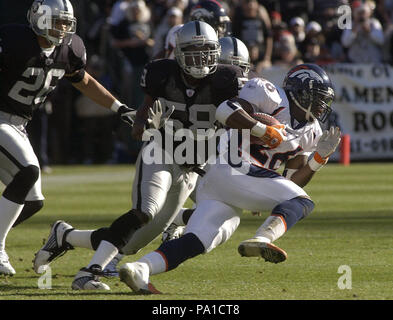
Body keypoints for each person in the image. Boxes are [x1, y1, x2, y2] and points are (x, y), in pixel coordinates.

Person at [33, 21, 284, 290]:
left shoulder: (228, 81)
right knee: (145, 211)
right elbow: (144, 112)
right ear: (179, 53)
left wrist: (251, 181)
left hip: (192, 168)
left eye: (206, 52)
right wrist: (143, 125)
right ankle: (89, 273)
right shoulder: (162, 73)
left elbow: (238, 139)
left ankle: (65, 236)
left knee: (132, 243)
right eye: (194, 52)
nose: (200, 59)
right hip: (161, 153)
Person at [117, 64, 341, 294]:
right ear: (300, 90)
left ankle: (140, 268)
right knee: (304, 202)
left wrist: (318, 159)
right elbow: (224, 110)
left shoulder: (312, 131)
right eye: (319, 98)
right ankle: (263, 238)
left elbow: (291, 183)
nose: (322, 106)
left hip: (229, 184)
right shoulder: (272, 95)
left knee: (200, 239)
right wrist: (262, 130)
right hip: (231, 166)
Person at [0, 0, 136, 276]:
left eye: (66, 22)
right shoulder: (14, 40)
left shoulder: (70, 49)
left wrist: (118, 107)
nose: (62, 28)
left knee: (32, 200)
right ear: (38, 18)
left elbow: (83, 81)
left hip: (18, 125)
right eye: (56, 21)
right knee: (27, 171)